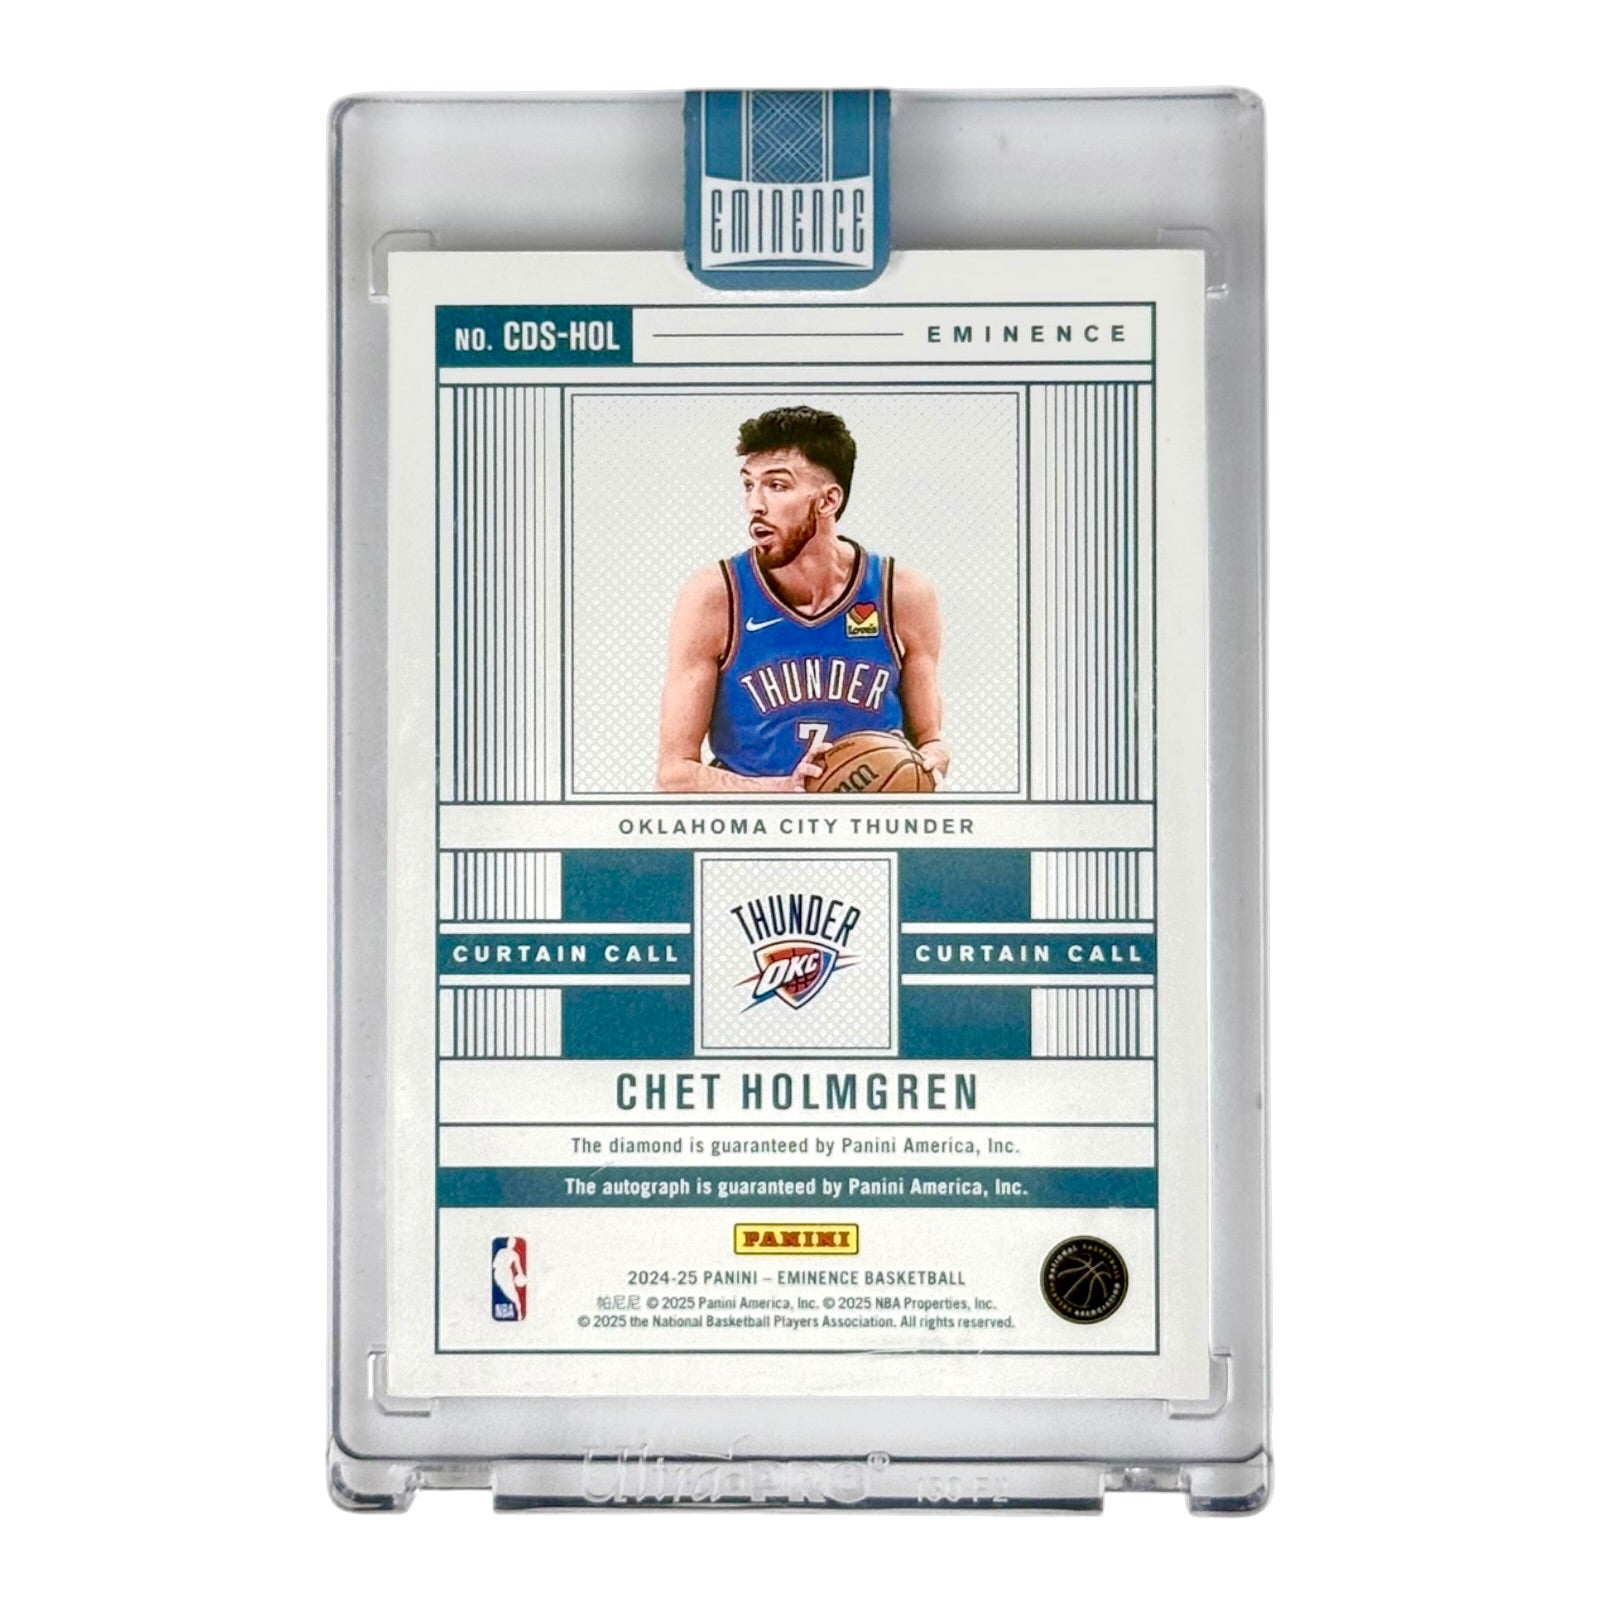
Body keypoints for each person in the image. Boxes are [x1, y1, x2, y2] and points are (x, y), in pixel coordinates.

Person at [657, 406, 949, 792]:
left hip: (868, 822)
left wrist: (933, 756)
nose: (755, 504)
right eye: (748, 485)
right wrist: (786, 791)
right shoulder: (716, 595)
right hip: (755, 823)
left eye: (776, 485)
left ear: (827, 501)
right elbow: (674, 774)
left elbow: (929, 740)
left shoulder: (902, 594)